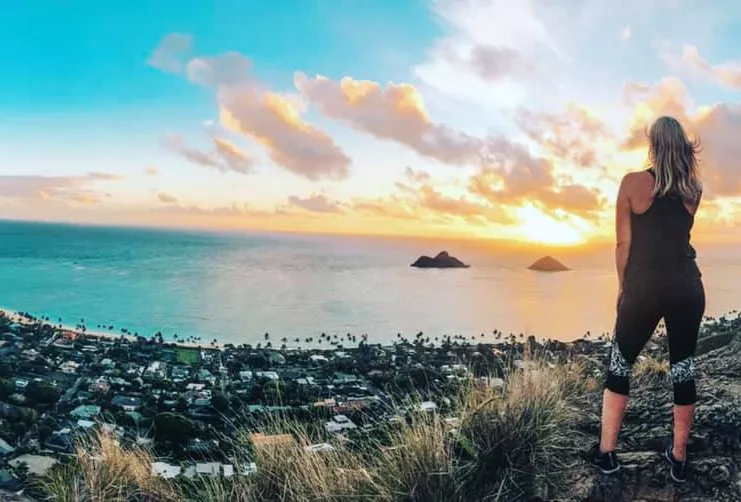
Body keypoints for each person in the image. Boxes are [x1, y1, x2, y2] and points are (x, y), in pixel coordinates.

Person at [589, 116, 705, 483]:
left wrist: (622, 287)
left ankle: (606, 453)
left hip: (644, 288)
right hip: (687, 287)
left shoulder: (632, 184)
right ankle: (679, 458)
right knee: (683, 368)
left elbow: (624, 244)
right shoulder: (693, 191)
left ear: (653, 145)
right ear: (683, 146)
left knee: (620, 365)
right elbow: (676, 236)